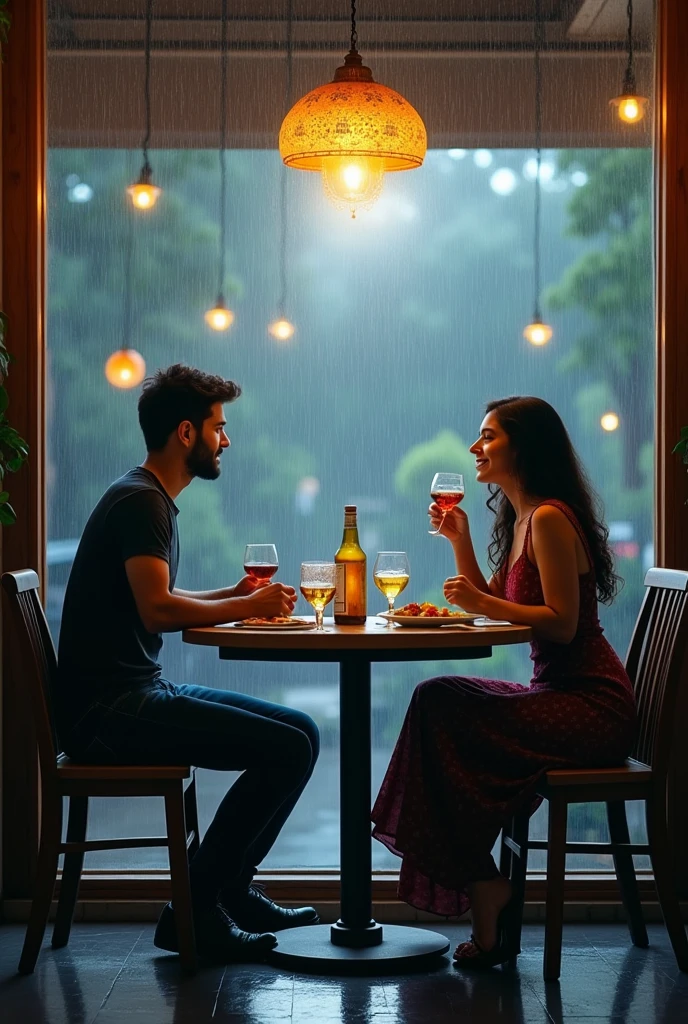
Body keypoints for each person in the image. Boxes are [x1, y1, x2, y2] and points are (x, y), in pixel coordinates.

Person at [57, 364, 320, 963]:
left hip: (128, 697)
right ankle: (196, 910)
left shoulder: (146, 497)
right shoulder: (141, 504)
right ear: (185, 433)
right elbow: (156, 611)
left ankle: (229, 888)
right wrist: (245, 604)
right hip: (109, 712)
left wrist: (232, 596)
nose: (225, 440)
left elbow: (161, 597)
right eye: (219, 428)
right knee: (287, 749)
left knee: (303, 733)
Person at [371, 396, 637, 969]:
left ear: (524, 447)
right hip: (556, 695)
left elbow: (563, 625)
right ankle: (481, 879)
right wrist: (460, 541)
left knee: (441, 705)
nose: (475, 447)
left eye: (488, 436)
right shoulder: (523, 519)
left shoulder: (548, 518)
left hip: (591, 706)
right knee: (435, 699)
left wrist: (482, 599)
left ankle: (481, 884)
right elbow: (493, 610)